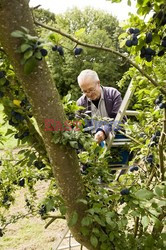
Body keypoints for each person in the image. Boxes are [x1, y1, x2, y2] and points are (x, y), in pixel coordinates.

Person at [77, 69, 123, 144]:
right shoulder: (80, 104)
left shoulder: (113, 94)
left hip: (117, 139)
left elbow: (120, 121)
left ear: (98, 83)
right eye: (85, 91)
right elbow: (79, 130)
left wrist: (104, 131)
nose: (89, 94)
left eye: (91, 89)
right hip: (94, 145)